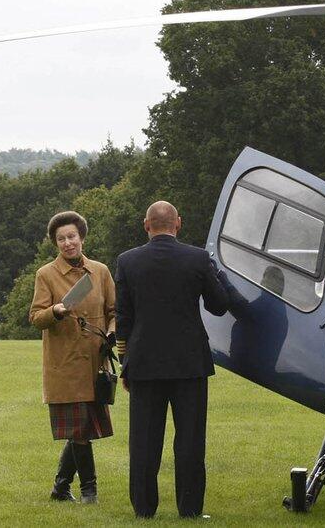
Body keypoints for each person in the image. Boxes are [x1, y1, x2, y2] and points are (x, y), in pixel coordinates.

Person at [114, 201, 230, 518]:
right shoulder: (198, 258)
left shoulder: (127, 261)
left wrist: (125, 362)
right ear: (178, 223)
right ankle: (190, 509)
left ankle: (144, 509)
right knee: (190, 440)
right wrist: (218, 277)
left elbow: (123, 317)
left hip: (144, 362)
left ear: (146, 225)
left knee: (143, 441)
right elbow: (219, 305)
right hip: (189, 362)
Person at [29, 211, 116, 503]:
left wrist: (112, 333)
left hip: (96, 364)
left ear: (82, 238)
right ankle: (89, 490)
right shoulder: (46, 274)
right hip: (64, 366)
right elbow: (36, 317)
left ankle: (60, 487)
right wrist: (55, 311)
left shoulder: (100, 271)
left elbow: (114, 312)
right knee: (80, 431)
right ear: (55, 243)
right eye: (61, 239)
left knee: (83, 428)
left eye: (72, 237)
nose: (68, 243)